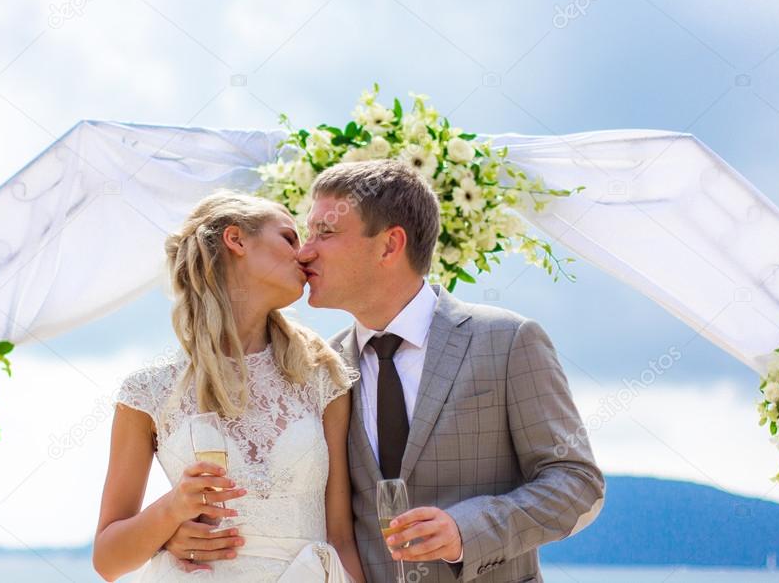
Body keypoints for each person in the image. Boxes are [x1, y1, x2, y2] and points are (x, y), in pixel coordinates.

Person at [174, 160, 605, 582]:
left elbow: (577, 483)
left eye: (325, 232)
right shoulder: (316, 370)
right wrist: (177, 536)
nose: (305, 251)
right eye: (307, 233)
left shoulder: (507, 341)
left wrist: (465, 531)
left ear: (388, 245)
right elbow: (292, 504)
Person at [93, 191, 366, 582]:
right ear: (236, 240)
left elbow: (340, 539)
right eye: (289, 238)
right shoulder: (148, 393)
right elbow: (108, 559)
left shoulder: (322, 376)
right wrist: (170, 514)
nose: (305, 254)